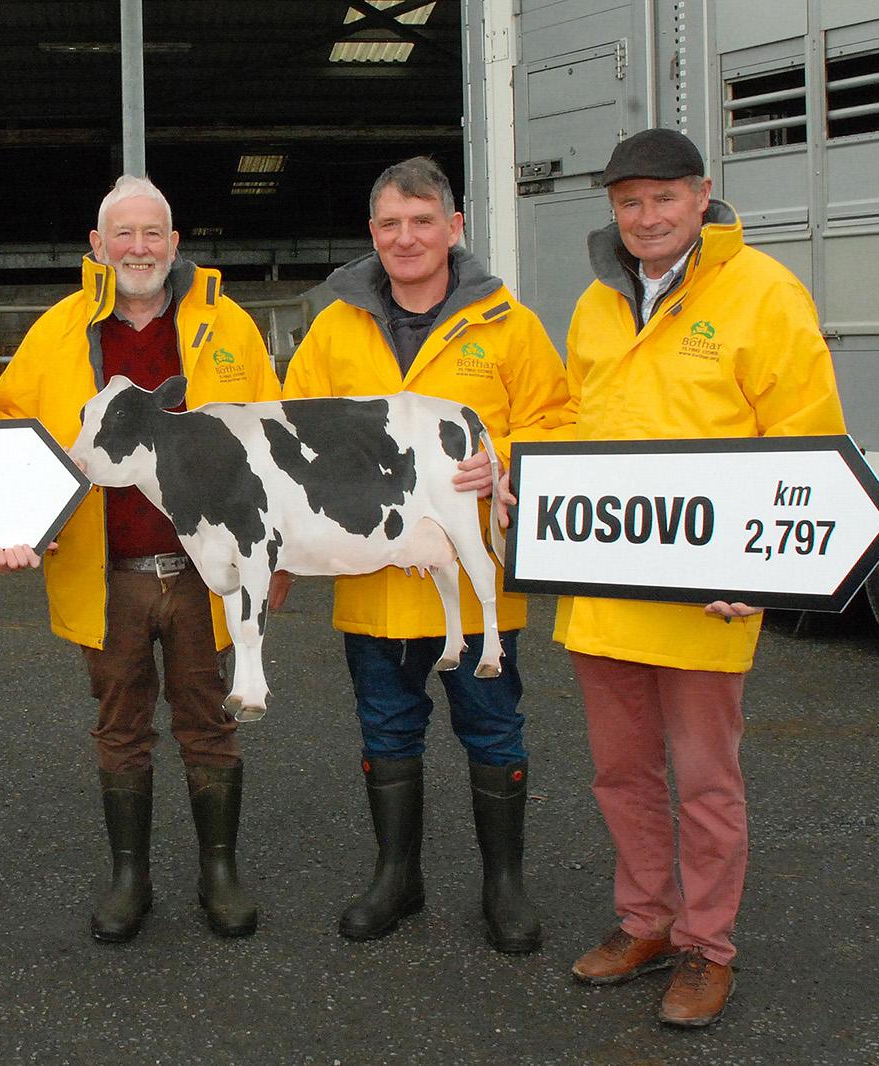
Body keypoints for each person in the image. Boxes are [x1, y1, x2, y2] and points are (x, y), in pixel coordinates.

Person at [542, 128, 846, 1027]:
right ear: (613, 210)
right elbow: (572, 420)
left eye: (663, 198)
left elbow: (807, 440)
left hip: (705, 593)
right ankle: (647, 923)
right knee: (621, 774)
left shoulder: (763, 294)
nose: (646, 217)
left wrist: (766, 568)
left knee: (707, 783)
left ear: (702, 195)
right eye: (628, 202)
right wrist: (531, 477)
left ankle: (709, 948)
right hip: (604, 589)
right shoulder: (597, 304)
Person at [278, 156, 568, 952]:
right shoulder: (336, 326)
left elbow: (560, 422)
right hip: (374, 584)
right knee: (386, 729)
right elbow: (292, 431)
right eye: (389, 224)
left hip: (476, 592)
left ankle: (503, 888)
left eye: (421, 220)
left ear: (454, 228)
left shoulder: (508, 325)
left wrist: (502, 455)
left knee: (493, 729)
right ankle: (396, 879)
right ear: (372, 233)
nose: (405, 238)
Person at [0, 175, 281, 942]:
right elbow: (6, 430)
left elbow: (274, 444)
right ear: (97, 247)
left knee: (210, 720)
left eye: (153, 233)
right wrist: (23, 518)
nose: (139, 248)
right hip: (106, 569)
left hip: (205, 574)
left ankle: (219, 874)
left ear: (176, 243)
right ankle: (130, 878)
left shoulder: (230, 331)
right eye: (123, 234)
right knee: (119, 726)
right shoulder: (57, 333)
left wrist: (274, 560)